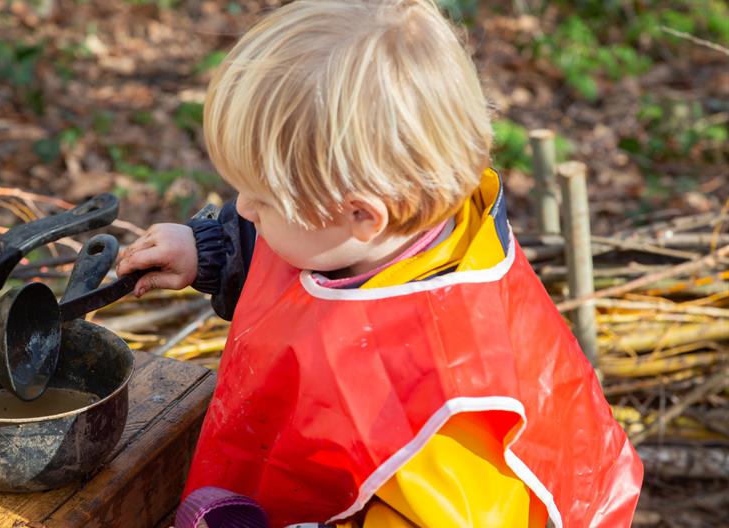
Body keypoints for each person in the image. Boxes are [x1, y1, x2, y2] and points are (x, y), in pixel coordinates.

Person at [115, 1, 643, 526]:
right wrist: (209, 251)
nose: (243, 208)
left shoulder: (440, 417)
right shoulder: (367, 235)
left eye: (261, 200)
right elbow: (293, 267)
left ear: (363, 214)